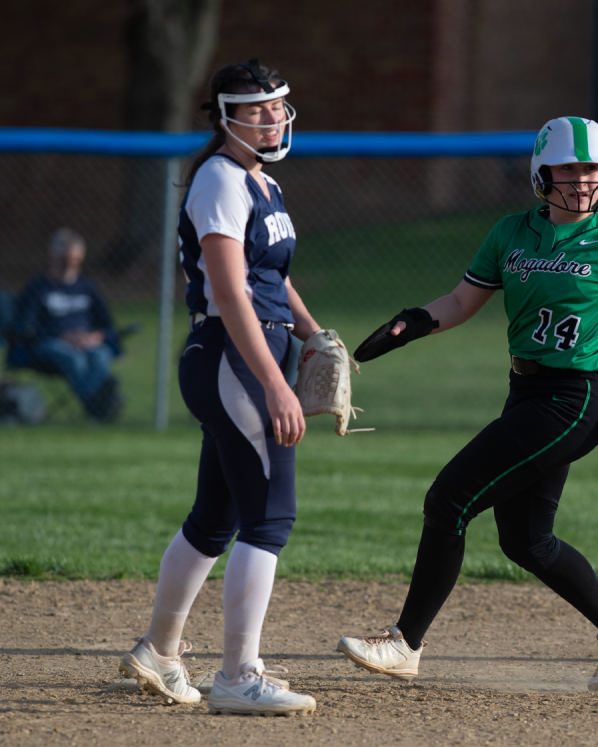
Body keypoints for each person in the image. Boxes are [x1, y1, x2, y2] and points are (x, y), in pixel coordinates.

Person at [336, 116, 598, 691]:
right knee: (524, 539)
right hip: (526, 393)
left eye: (594, 170)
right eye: (569, 167)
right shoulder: (511, 233)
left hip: (575, 399)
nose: (583, 179)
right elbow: (461, 302)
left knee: (449, 500)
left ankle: (406, 643)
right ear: (541, 172)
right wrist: (414, 322)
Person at [118, 59, 317, 716]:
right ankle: (238, 674)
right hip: (236, 354)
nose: (272, 117)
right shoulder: (220, 178)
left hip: (243, 352)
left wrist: (312, 334)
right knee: (270, 516)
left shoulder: (261, 181)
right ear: (225, 114)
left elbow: (270, 276)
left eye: (277, 105)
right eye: (256, 108)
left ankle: (159, 651)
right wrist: (275, 384)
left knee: (217, 517)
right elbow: (231, 292)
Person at [12, 229, 124, 421]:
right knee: (73, 359)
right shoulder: (38, 288)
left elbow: (107, 325)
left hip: (87, 342)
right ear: (54, 256)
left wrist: (96, 337)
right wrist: (62, 336)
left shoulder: (88, 287)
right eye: (65, 260)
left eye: (75, 261)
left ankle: (98, 406)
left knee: (101, 354)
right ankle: (100, 406)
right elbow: (26, 327)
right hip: (49, 343)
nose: (70, 266)